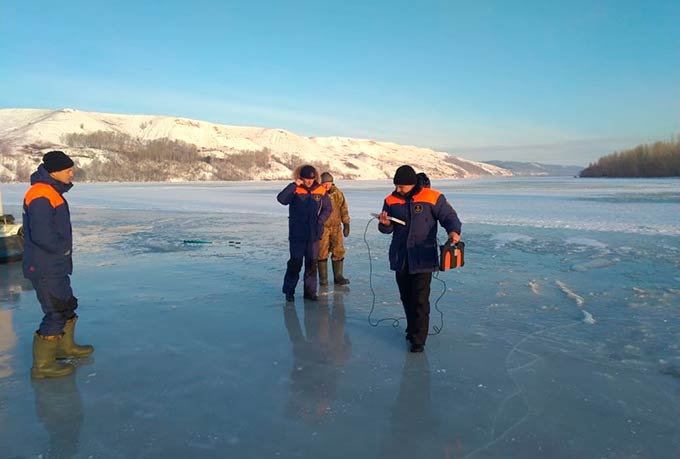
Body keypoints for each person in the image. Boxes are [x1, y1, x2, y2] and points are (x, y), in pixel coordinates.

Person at [23, 151, 93, 379]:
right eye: (68, 170)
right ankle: (42, 366)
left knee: (66, 305)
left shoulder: (50, 192)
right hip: (45, 265)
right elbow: (43, 234)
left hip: (55, 264)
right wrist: (61, 248)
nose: (72, 173)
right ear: (54, 171)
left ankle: (64, 348)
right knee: (55, 311)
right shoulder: (41, 194)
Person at [378, 165, 461, 353]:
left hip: (423, 256)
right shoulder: (390, 200)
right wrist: (384, 224)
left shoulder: (432, 197)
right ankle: (412, 327)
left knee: (420, 299)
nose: (398, 189)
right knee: (406, 296)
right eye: (396, 186)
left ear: (412, 184)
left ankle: (418, 339)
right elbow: (387, 229)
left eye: (402, 187)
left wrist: (454, 232)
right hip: (401, 257)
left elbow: (449, 217)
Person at [277, 165, 332, 302]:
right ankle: (289, 291)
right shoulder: (295, 189)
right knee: (295, 263)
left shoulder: (320, 189)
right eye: (307, 179)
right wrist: (293, 185)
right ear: (301, 178)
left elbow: (328, 208)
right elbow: (281, 199)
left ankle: (310, 292)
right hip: (297, 234)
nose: (309, 181)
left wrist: (320, 220)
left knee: (312, 264)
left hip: (313, 234)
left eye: (311, 179)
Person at [318, 172, 350, 286]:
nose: (326, 186)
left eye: (328, 183)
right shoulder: (318, 194)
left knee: (338, 250)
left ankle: (338, 276)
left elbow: (344, 208)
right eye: (324, 184)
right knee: (322, 252)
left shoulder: (338, 194)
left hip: (336, 227)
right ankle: (323, 279)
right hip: (322, 227)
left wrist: (346, 224)